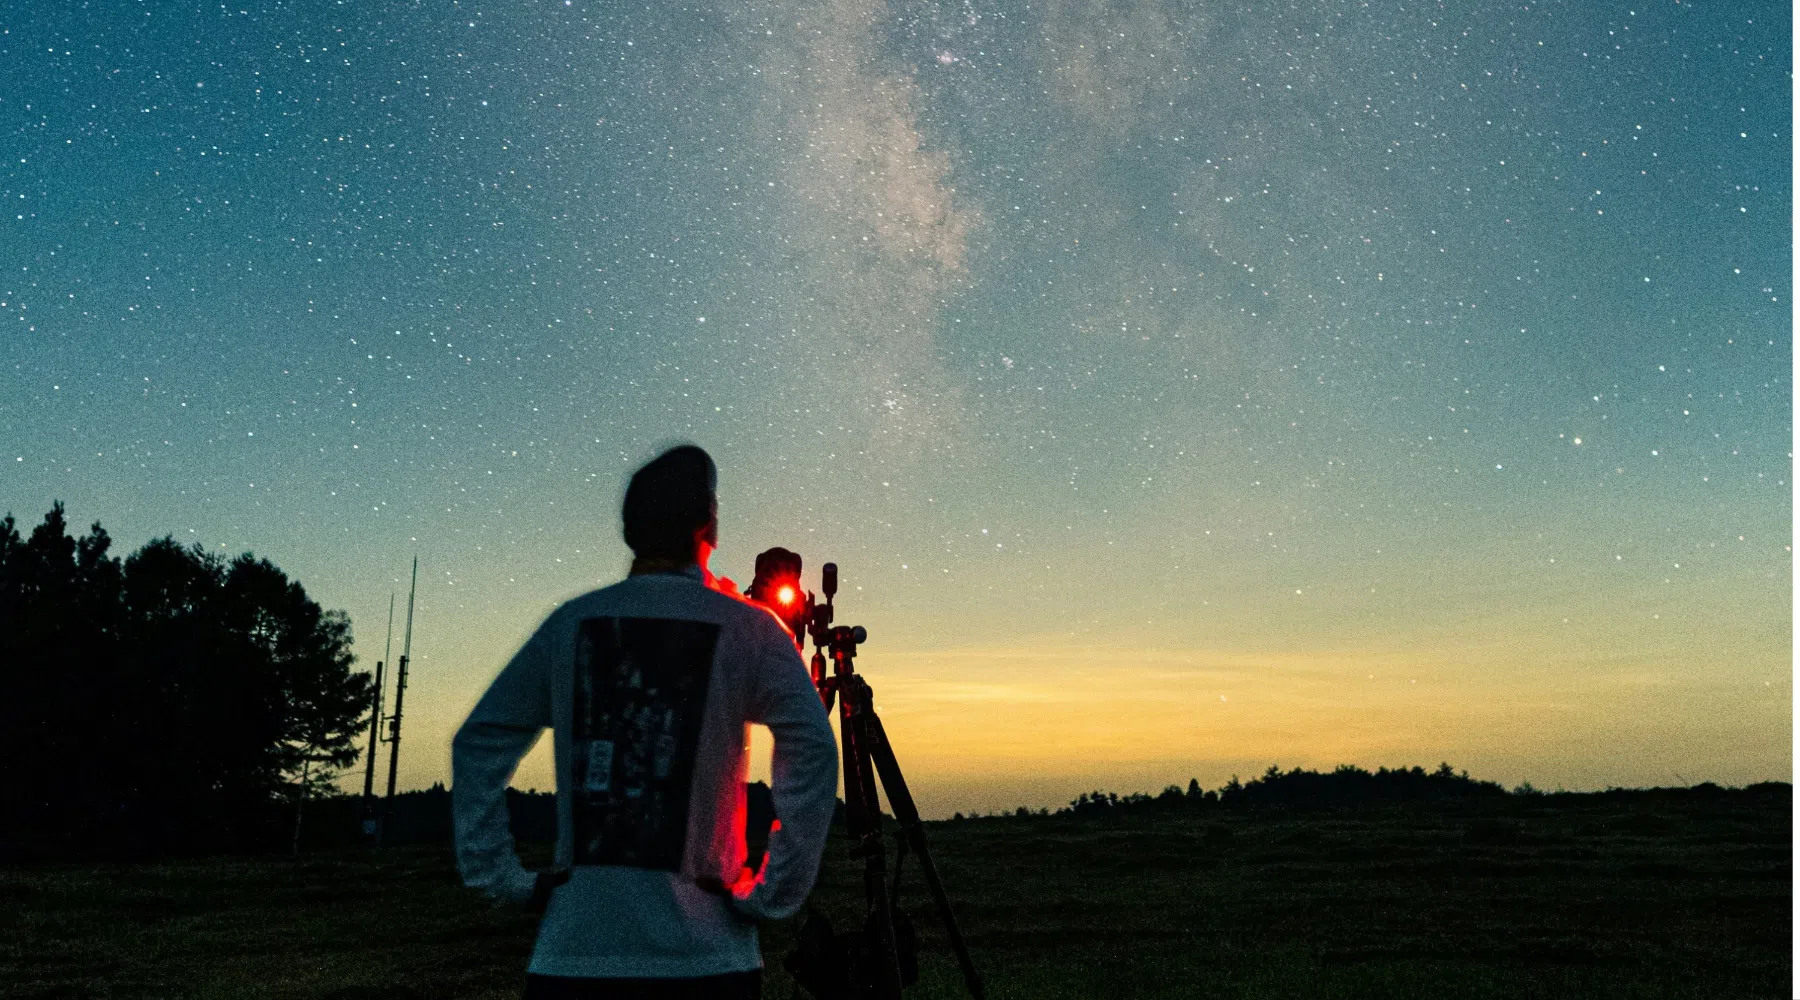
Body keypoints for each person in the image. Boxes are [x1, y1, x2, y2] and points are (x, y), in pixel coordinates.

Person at [453, 444, 839, 999]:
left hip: (573, 960)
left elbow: (480, 741)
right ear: (709, 521)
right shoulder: (750, 629)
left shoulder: (570, 624)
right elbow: (813, 747)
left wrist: (504, 881)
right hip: (707, 962)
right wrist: (772, 892)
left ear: (630, 527)